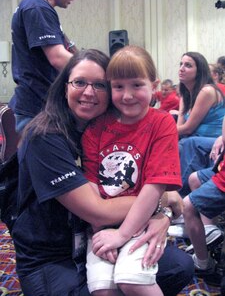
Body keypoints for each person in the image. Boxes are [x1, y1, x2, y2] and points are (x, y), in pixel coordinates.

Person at [10, 49, 194, 296]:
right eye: (79, 82)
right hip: (53, 253)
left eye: (99, 85)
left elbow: (141, 186)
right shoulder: (45, 136)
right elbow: (98, 211)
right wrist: (163, 201)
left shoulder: (107, 128)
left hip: (105, 232)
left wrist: (162, 215)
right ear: (65, 86)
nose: (88, 92)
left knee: (179, 266)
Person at [81, 45, 184, 296]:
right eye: (118, 87)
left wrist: (123, 234)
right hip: (103, 225)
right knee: (103, 290)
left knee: (133, 281)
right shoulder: (96, 128)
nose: (127, 95)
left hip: (140, 222)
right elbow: (92, 187)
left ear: (153, 85)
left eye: (137, 85)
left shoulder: (161, 123)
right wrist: (101, 232)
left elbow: (155, 185)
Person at [8, 0, 78, 133]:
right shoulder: (37, 6)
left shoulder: (36, 5)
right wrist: (98, 71)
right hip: (35, 107)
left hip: (37, 104)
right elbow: (57, 57)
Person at [183, 115, 225, 274]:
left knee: (188, 205)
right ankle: (209, 230)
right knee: (194, 179)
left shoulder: (208, 90)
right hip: (221, 165)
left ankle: (202, 263)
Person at [177, 52, 225, 138]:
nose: (181, 68)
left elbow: (188, 129)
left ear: (199, 71)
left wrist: (163, 131)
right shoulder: (185, 94)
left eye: (188, 65)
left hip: (215, 142)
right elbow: (180, 126)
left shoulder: (207, 91)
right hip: (194, 139)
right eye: (181, 64)